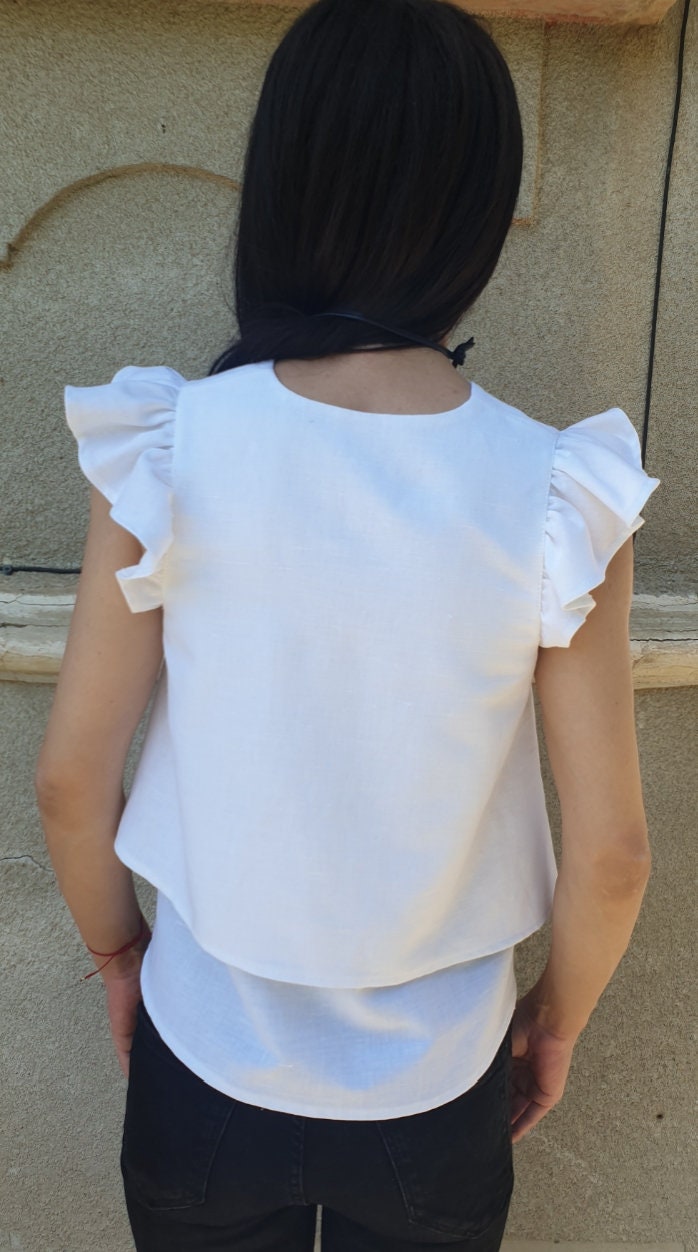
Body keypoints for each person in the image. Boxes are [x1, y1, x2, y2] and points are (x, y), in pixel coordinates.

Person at [35, 0, 660, 1249]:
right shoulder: (554, 491)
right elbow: (610, 854)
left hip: (202, 1065)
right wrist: (551, 1025)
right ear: (478, 211)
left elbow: (69, 782)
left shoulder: (170, 449)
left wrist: (118, 957)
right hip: (438, 1088)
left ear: (278, 183)